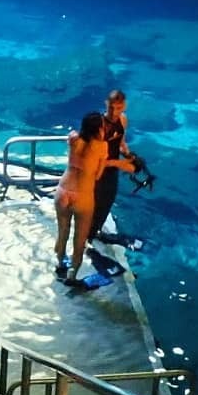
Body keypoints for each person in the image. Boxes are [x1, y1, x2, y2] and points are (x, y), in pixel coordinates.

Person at [54, 111, 120, 284]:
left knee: (63, 231)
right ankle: (72, 275)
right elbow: (98, 175)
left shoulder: (73, 138)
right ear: (99, 128)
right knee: (79, 239)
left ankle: (60, 262)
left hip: (63, 190)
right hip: (83, 195)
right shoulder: (102, 146)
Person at [90, 88, 140, 242]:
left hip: (111, 170)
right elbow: (96, 157)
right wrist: (121, 163)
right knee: (94, 203)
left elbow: (121, 142)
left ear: (124, 106)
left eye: (118, 108)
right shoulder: (100, 125)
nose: (114, 112)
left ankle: (94, 232)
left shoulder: (123, 120)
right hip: (97, 169)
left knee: (107, 201)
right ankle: (86, 235)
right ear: (106, 104)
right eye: (111, 107)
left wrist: (128, 154)